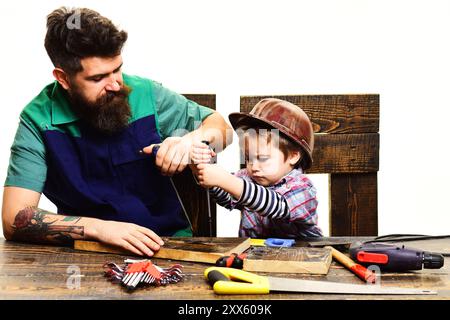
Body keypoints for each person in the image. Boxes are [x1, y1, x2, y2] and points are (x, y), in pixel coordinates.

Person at [1, 7, 232, 257]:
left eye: (117, 69)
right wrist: (100, 229)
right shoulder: (37, 120)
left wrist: (194, 139)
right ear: (63, 78)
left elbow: (223, 131)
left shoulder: (146, 94)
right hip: (83, 254)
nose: (115, 84)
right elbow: (14, 219)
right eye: (98, 77)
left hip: (166, 246)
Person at [190, 98, 323, 238]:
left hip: (303, 256)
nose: (253, 166)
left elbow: (276, 206)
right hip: (256, 256)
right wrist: (201, 168)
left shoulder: (302, 187)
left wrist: (226, 180)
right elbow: (226, 197)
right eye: (248, 158)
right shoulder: (248, 178)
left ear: (293, 156)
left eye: (263, 158)